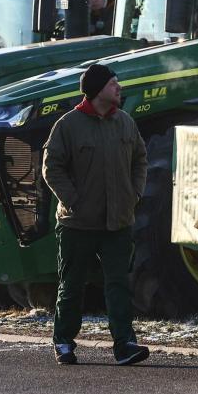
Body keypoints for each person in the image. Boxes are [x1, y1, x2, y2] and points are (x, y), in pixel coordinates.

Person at [42, 63, 149, 366]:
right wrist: (73, 200)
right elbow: (52, 168)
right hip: (77, 224)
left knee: (118, 284)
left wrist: (135, 194)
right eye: (114, 83)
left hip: (118, 222)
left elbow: (141, 159)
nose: (119, 88)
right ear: (99, 89)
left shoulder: (126, 123)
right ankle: (63, 342)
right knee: (72, 285)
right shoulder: (68, 125)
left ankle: (125, 345)